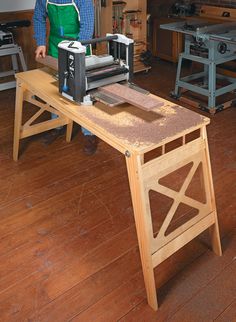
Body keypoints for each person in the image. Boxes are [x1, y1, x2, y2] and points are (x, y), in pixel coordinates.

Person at [33, 0, 98, 155]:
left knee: (83, 91)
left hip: (79, 44)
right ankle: (57, 125)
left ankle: (89, 133)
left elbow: (87, 27)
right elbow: (38, 17)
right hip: (56, 46)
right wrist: (41, 42)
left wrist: (76, 49)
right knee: (57, 88)